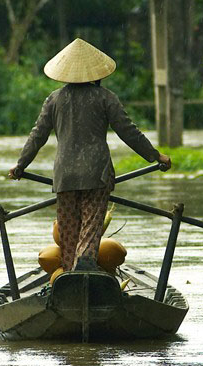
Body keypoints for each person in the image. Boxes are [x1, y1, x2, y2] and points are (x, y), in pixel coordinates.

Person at [9, 38, 172, 273]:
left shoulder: (54, 99)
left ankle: (68, 272)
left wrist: (20, 165)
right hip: (96, 174)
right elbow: (129, 132)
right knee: (91, 225)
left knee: (67, 231)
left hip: (64, 175)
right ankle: (85, 260)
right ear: (97, 74)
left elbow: (38, 136)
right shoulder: (105, 98)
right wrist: (156, 156)